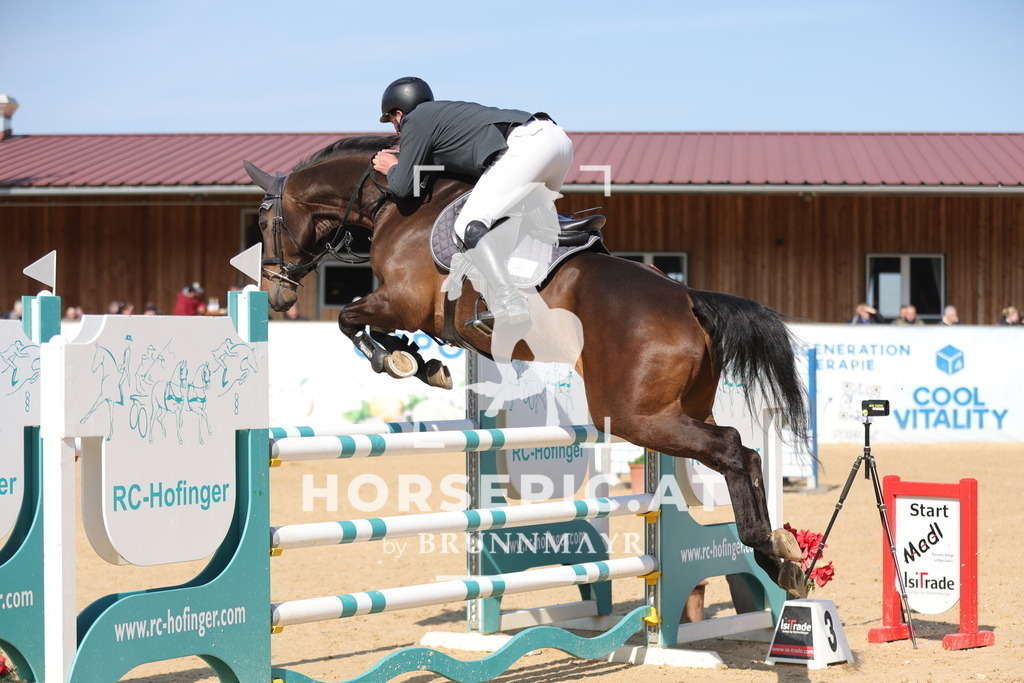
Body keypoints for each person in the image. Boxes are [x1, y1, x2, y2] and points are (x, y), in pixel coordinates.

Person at [371, 77, 572, 330]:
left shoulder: (416, 119)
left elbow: (402, 187)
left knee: (469, 223)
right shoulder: (442, 117)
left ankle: (509, 302)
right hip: (558, 141)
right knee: (517, 223)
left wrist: (392, 168)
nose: (395, 128)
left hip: (529, 145)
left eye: (391, 120)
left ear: (398, 113)